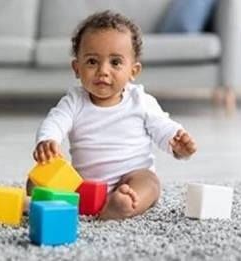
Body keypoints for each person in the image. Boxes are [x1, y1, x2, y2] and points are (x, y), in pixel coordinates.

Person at [26, 10, 197, 220]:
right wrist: (47, 140)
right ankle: (61, 204)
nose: (103, 71)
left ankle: (123, 205)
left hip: (129, 178)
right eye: (92, 62)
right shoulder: (74, 101)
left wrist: (177, 143)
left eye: (115, 62)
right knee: (35, 180)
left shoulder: (140, 101)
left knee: (150, 182)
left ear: (133, 71)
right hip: (83, 185)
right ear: (76, 68)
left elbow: (163, 127)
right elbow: (55, 121)